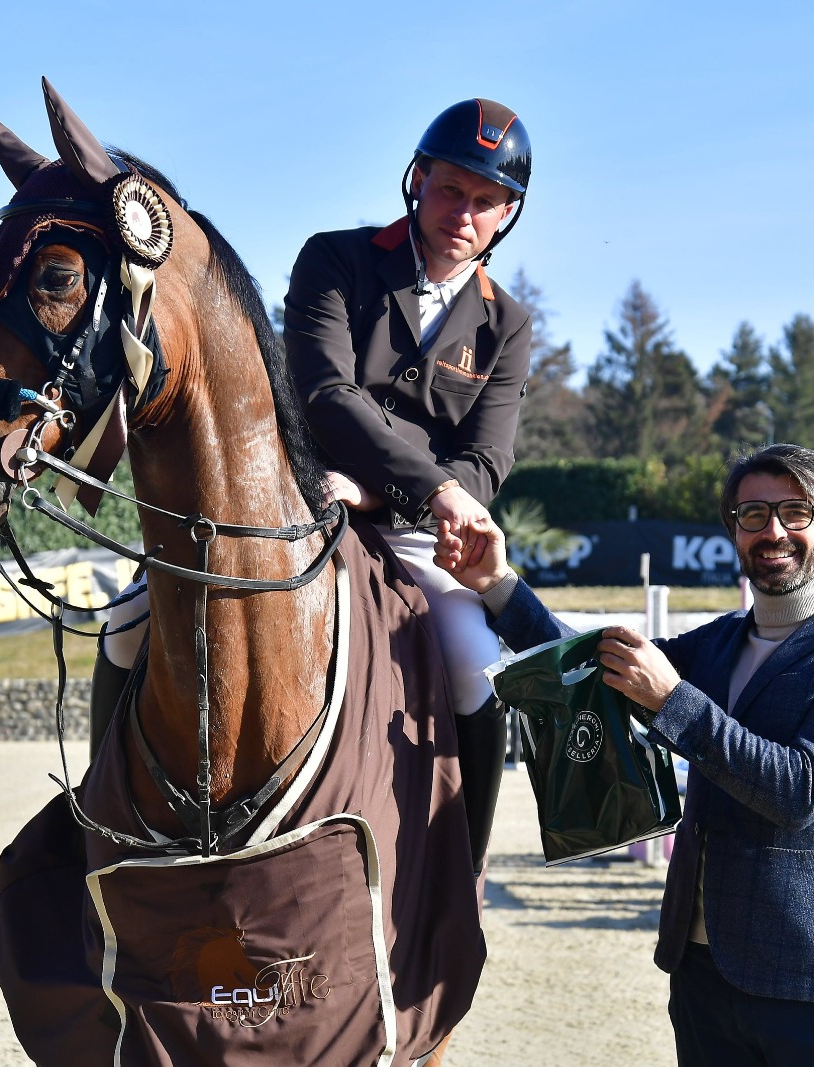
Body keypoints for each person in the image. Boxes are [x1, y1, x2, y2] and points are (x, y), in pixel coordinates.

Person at [439, 443, 814, 1066]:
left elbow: (802, 791)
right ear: (734, 533)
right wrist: (497, 586)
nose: (772, 530)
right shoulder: (721, 642)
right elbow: (592, 668)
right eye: (752, 515)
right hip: (702, 975)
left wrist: (672, 700)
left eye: (794, 512)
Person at [278, 98, 535, 876]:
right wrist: (421, 488)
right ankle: (107, 824)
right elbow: (327, 392)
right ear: (418, 180)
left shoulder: (508, 324)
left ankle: (464, 870)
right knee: (133, 617)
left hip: (416, 531)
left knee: (473, 666)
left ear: (506, 214)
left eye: (485, 201)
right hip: (302, 501)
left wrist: (387, 495)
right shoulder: (335, 259)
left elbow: (487, 462)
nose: (465, 212)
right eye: (452, 189)